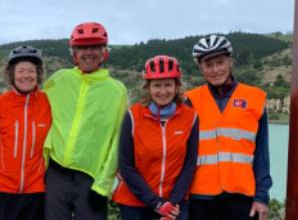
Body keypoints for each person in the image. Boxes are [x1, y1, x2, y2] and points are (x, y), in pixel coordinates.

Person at [43, 21, 128, 220]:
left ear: (104, 52)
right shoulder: (58, 80)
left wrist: (103, 186)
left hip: (91, 178)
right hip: (56, 174)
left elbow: (118, 140)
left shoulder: (117, 90)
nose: (88, 52)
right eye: (82, 47)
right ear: (74, 52)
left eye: (95, 46)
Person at [186, 34, 272, 220]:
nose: (215, 69)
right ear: (201, 68)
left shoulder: (255, 99)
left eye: (220, 62)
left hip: (241, 197)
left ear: (230, 62)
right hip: (200, 198)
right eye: (209, 65)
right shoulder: (190, 101)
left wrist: (262, 197)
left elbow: (261, 155)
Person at [113, 55, 199, 220]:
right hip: (135, 203)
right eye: (157, 85)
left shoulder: (191, 117)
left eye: (168, 85)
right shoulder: (133, 116)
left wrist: (171, 203)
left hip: (175, 204)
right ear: (148, 88)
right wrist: (157, 204)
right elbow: (126, 165)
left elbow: (189, 164)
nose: (163, 91)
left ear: (177, 86)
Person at [0, 45, 52, 220]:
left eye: (31, 71)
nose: (26, 76)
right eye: (20, 71)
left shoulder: (47, 102)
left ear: (38, 74)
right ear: (11, 74)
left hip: (35, 188)